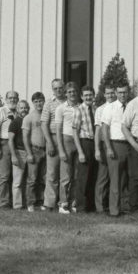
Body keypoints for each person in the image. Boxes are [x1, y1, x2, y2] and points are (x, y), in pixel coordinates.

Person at [95, 85, 125, 217]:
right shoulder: (106, 108)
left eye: (113, 93)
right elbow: (102, 130)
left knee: (121, 178)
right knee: (110, 178)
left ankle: (122, 207)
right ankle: (108, 209)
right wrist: (105, 148)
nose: (111, 95)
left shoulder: (128, 106)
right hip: (111, 143)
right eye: (109, 93)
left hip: (124, 145)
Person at [55, 83, 84, 214]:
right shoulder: (61, 108)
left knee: (77, 175)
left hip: (79, 141)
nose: (72, 94)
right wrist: (60, 150)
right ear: (66, 93)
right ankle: (63, 203)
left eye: (74, 91)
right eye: (70, 92)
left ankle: (73, 202)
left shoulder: (81, 107)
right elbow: (58, 130)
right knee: (65, 175)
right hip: (66, 140)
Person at [40, 78, 67, 210]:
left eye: (60, 87)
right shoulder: (49, 103)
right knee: (51, 173)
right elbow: (44, 124)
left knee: (66, 173)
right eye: (55, 88)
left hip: (67, 138)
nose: (58, 90)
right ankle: (49, 203)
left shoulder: (70, 102)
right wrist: (49, 142)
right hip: (53, 138)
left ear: (64, 87)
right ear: (52, 90)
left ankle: (64, 202)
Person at [23, 92, 48, 210]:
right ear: (33, 103)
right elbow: (25, 137)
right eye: (36, 101)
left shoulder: (47, 115)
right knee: (32, 179)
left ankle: (41, 201)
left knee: (44, 178)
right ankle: (30, 203)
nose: (39, 103)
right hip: (34, 150)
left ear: (44, 101)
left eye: (40, 101)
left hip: (46, 150)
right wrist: (29, 153)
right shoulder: (29, 117)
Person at [76, 86, 99, 213]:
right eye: (86, 95)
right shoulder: (79, 110)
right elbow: (75, 132)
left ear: (94, 95)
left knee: (93, 175)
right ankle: (80, 207)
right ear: (82, 97)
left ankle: (90, 206)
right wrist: (80, 152)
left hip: (95, 144)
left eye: (90, 95)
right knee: (83, 176)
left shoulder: (96, 109)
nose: (88, 97)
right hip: (85, 143)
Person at [9, 99, 31, 211]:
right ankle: (17, 205)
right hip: (19, 152)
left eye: (25, 107)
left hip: (31, 152)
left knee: (29, 180)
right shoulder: (15, 122)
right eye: (21, 108)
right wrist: (13, 155)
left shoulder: (30, 120)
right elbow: (10, 140)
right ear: (17, 110)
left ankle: (28, 204)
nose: (24, 110)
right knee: (17, 182)